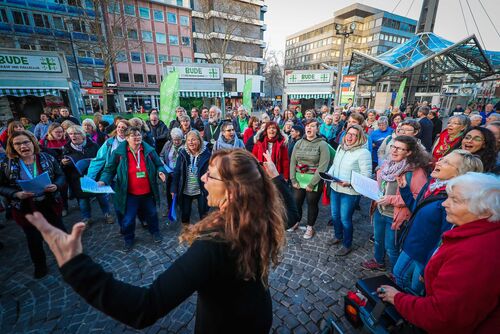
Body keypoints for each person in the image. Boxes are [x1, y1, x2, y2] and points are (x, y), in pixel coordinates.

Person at [26, 149, 287, 333]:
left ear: (232, 191)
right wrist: (275, 178)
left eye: (210, 174)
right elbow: (291, 213)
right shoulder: (262, 214)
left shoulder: (212, 246)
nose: (203, 179)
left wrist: (75, 266)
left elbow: (145, 308)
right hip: (259, 316)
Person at [377, 172, 500, 334]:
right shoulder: (480, 232)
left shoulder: (476, 254)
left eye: (455, 200)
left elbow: (442, 317)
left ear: (485, 211)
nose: (444, 204)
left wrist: (397, 298)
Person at [393, 150, 483, 294]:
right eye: (442, 158)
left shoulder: (453, 199)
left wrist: (429, 267)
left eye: (446, 162)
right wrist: (404, 189)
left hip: (424, 256)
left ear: (460, 173)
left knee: (414, 290)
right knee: (398, 276)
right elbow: (416, 208)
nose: (438, 162)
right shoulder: (433, 184)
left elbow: (445, 239)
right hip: (412, 245)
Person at [0, 130, 66, 278]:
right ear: (12, 146)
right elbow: (1, 186)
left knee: (59, 232)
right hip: (25, 209)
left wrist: (56, 185)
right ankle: (40, 265)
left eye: (26, 142)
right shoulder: (6, 164)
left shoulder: (46, 157)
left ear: (33, 142)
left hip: (49, 204)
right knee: (34, 239)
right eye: (17, 144)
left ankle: (68, 260)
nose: (23, 146)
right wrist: (15, 194)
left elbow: (61, 175)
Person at [362, 136, 430, 271]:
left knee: (391, 247)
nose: (394, 150)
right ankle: (379, 261)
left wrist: (390, 199)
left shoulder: (416, 171)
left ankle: (396, 274)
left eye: (399, 148)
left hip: (395, 216)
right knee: (378, 240)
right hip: (379, 210)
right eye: (393, 146)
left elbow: (418, 198)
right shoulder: (388, 164)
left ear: (409, 152)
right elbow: (381, 185)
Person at [98, 126, 166, 252]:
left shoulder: (149, 150)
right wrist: (103, 180)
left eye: (139, 135)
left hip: (147, 193)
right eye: (133, 135)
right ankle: (129, 238)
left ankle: (155, 232)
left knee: (152, 214)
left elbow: (159, 164)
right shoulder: (119, 153)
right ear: (127, 138)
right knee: (128, 219)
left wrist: (161, 172)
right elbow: (109, 169)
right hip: (129, 194)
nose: (137, 137)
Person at [327, 124, 371, 255]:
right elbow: (335, 165)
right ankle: (338, 236)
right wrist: (328, 175)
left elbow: (366, 176)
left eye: (354, 135)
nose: (350, 137)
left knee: (345, 218)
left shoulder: (364, 152)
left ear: (360, 138)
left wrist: (350, 183)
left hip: (350, 191)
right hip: (335, 187)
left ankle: (347, 244)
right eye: (348, 134)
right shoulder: (341, 147)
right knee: (335, 216)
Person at [62, 125, 113, 224]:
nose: (73, 136)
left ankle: (107, 214)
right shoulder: (66, 149)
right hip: (78, 180)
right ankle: (86, 218)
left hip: (95, 177)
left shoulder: (94, 146)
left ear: (83, 135)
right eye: (71, 134)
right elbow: (64, 168)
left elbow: (102, 160)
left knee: (101, 198)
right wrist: (63, 163)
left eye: (76, 133)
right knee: (83, 201)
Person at [289, 119, 331, 239]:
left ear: (317, 129)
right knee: (296, 202)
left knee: (311, 203)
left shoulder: (322, 144)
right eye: (307, 125)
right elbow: (293, 162)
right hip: (299, 178)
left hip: (314, 179)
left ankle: (310, 227)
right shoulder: (299, 143)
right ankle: (296, 222)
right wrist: (293, 180)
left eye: (313, 126)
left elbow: (323, 166)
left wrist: (312, 184)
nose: (309, 128)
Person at [172, 130, 211, 225]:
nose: (190, 142)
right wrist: (173, 189)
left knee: (204, 213)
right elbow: (177, 172)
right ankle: (186, 232)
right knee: (185, 214)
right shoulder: (182, 153)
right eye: (188, 140)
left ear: (199, 141)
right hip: (186, 190)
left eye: (193, 140)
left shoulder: (207, 154)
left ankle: (204, 232)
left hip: (201, 189)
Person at [160, 128, 184, 217]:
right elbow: (161, 155)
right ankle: (170, 208)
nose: (177, 142)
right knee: (169, 191)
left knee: (180, 191)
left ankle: (182, 209)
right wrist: (162, 161)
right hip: (169, 173)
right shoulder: (168, 144)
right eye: (175, 140)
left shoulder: (185, 146)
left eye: (179, 140)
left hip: (180, 174)